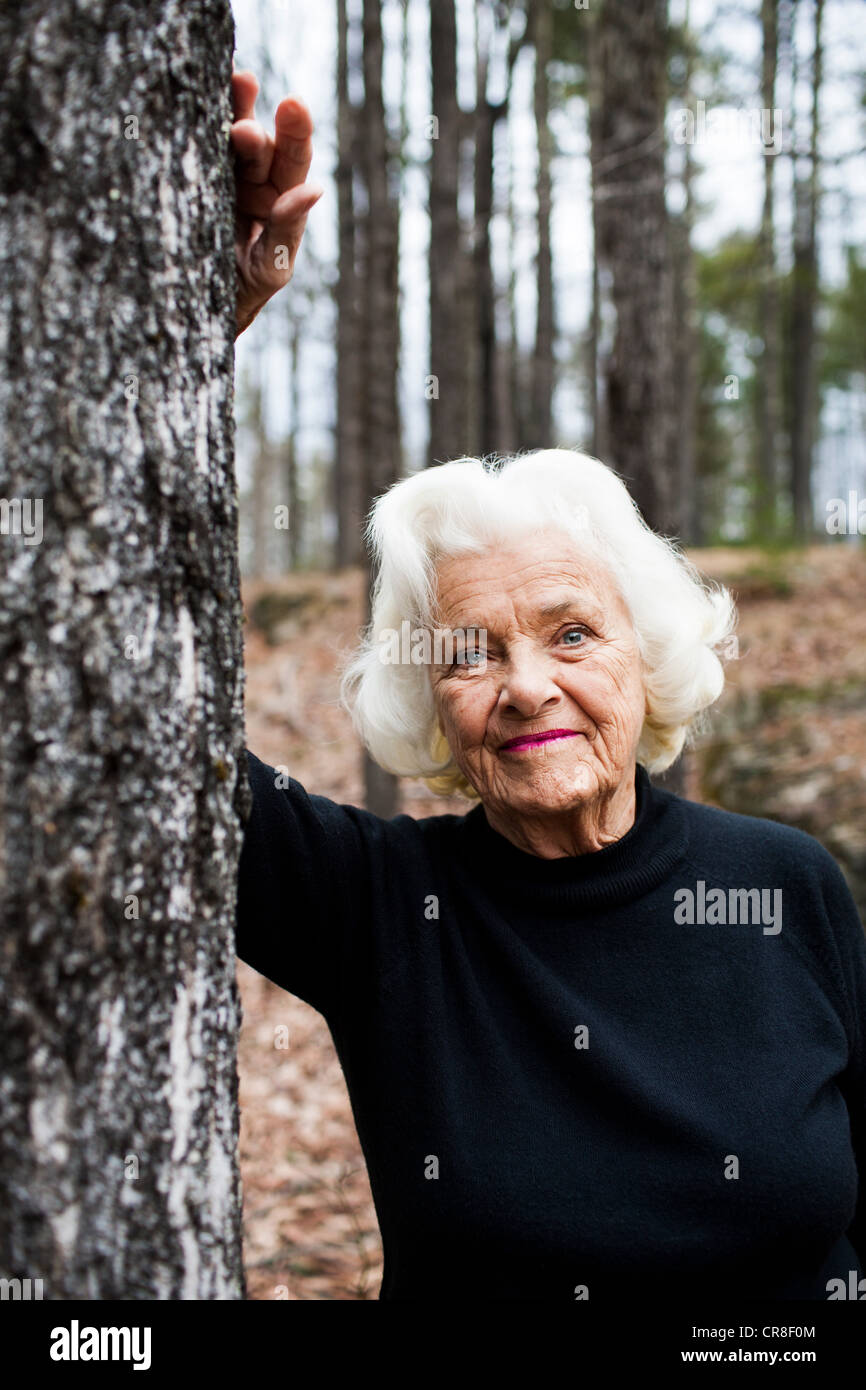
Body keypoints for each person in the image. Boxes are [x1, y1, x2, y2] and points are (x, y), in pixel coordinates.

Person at [228, 72, 866, 1302]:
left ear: (645, 647)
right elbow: (108, 716)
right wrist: (200, 324)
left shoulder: (787, 885)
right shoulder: (380, 909)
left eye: (569, 632)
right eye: (468, 652)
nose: (524, 687)